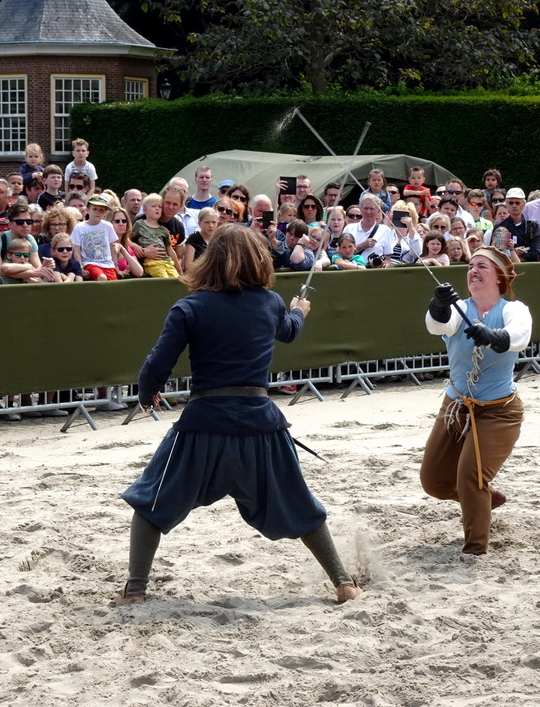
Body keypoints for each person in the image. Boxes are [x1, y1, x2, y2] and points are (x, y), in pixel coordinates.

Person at [115, 224, 360, 605]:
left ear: (210, 259)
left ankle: (135, 589)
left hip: (202, 426)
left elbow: (157, 364)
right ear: (259, 259)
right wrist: (299, 311)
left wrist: (148, 394)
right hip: (261, 425)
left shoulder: (190, 306)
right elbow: (289, 331)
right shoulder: (270, 303)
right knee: (299, 504)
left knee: (152, 502)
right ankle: (343, 582)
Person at [420, 247, 532, 555]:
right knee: (433, 482)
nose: (473, 270)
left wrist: (493, 336)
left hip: (499, 412)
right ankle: (485, 497)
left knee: (470, 475)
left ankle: (475, 549)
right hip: (455, 406)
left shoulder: (514, 309)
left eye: (482, 266)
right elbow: (437, 325)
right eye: (470, 266)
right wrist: (439, 305)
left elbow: (519, 335)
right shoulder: (460, 309)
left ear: (499, 277)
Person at [132, 193, 181, 278]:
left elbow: (170, 250)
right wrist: (135, 246)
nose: (157, 208)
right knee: (164, 280)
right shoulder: (139, 224)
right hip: (152, 263)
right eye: (154, 206)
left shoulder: (164, 230)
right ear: (145, 210)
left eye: (160, 207)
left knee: (175, 280)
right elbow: (127, 239)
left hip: (167, 262)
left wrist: (180, 271)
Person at [72, 195, 120, 281]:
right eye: (94, 209)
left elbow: (112, 247)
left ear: (105, 213)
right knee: (102, 277)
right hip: (89, 263)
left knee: (113, 287)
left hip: (108, 264)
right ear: (87, 210)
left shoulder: (108, 226)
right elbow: (76, 251)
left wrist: (116, 266)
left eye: (101, 210)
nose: (98, 212)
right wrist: (81, 268)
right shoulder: (79, 227)